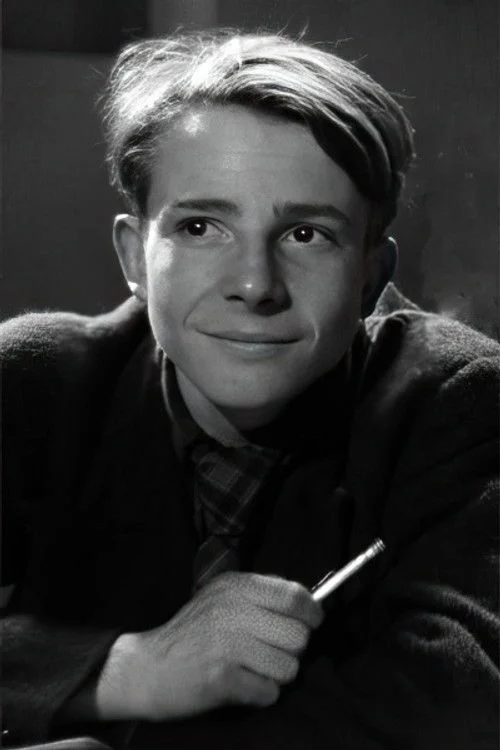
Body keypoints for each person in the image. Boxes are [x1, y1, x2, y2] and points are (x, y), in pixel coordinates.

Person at [1, 30, 498, 750]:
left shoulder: (458, 400)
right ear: (135, 258)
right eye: (201, 226)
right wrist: (133, 669)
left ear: (371, 275)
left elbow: (464, 700)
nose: (255, 285)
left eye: (307, 235)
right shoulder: (34, 383)